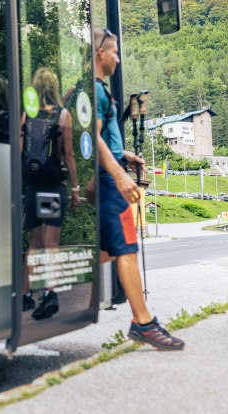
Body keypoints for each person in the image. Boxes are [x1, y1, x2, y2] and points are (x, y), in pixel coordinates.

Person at [89, 28, 184, 349]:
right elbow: (94, 136)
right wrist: (119, 174)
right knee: (126, 247)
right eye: (115, 52)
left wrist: (123, 155)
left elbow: (100, 139)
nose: (118, 58)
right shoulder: (96, 92)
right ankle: (143, 322)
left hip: (105, 174)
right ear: (100, 53)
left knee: (103, 250)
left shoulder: (95, 89)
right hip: (108, 181)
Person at [20, 68, 80, 319]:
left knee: (34, 243)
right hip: (54, 187)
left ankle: (25, 295)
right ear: (54, 87)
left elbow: (20, 152)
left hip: (33, 186)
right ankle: (49, 293)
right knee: (51, 245)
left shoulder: (27, 115)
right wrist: (75, 188)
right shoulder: (63, 115)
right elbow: (68, 155)